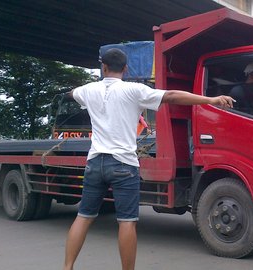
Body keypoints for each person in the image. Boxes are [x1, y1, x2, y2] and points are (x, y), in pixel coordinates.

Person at [63, 48, 234, 270]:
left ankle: (67, 267)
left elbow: (72, 93)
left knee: (84, 217)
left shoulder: (88, 90)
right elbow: (171, 96)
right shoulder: (134, 90)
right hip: (123, 164)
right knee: (126, 222)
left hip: (95, 162)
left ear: (103, 67)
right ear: (125, 68)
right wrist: (211, 99)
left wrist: (70, 92)